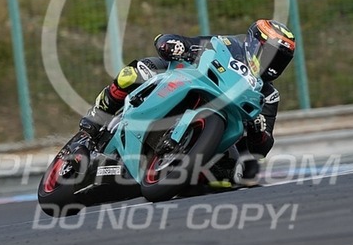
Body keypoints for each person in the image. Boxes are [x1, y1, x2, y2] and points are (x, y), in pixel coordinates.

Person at [78, 19, 296, 185]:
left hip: (219, 138)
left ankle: (181, 175)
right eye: (271, 54)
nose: (274, 64)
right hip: (186, 82)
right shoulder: (227, 44)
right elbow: (181, 41)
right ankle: (98, 116)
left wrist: (258, 130)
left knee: (244, 173)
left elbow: (262, 148)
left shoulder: (268, 95)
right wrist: (174, 45)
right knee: (135, 72)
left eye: (281, 60)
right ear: (255, 44)